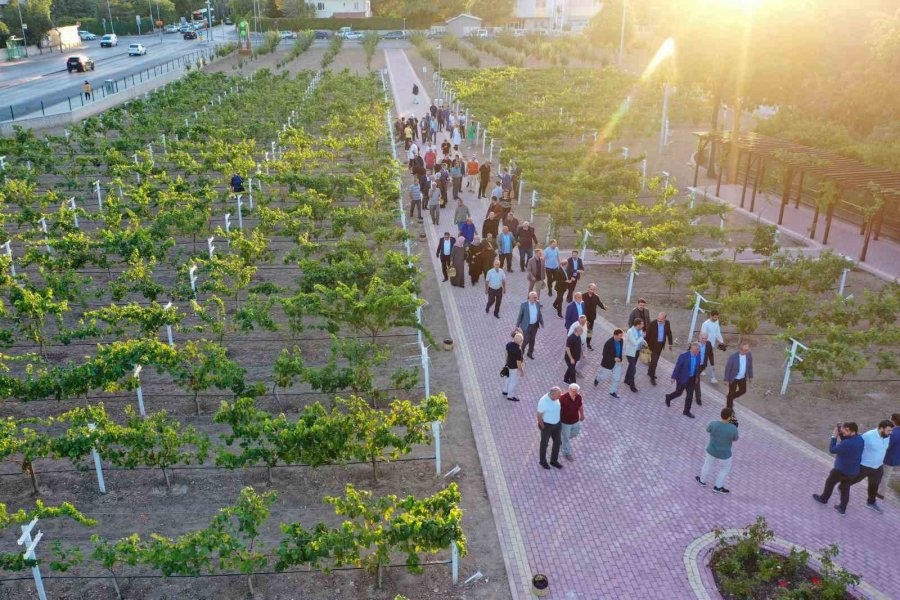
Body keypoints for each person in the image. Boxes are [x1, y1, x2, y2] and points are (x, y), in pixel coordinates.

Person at [813, 422, 864, 515]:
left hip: (840, 470)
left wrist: (834, 436)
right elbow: (847, 442)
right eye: (843, 429)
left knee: (829, 483)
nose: (843, 431)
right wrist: (842, 434)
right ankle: (842, 508)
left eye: (846, 430)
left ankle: (824, 499)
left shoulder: (847, 443)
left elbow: (832, 449)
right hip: (853, 471)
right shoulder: (860, 439)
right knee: (845, 489)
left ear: (853, 432)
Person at [853, 420, 894, 513]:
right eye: (888, 430)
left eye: (891, 431)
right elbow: (857, 446)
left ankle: (871, 502)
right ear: (881, 428)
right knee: (854, 479)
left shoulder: (887, 436)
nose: (890, 433)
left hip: (878, 467)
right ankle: (842, 487)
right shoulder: (868, 436)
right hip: (865, 465)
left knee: (874, 485)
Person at [696, 407, 740, 494]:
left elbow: (707, 429)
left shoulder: (713, 424)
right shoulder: (733, 428)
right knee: (724, 469)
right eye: (732, 416)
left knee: (707, 465)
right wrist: (735, 428)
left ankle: (702, 481)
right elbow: (735, 439)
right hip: (724, 454)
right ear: (728, 417)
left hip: (711, 450)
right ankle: (718, 487)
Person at [665, 342, 701, 418]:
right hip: (682, 378)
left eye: (698, 350)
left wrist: (697, 377)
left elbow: (697, 367)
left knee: (690, 395)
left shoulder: (698, 356)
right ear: (693, 349)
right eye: (697, 350)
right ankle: (668, 397)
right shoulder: (683, 356)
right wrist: (673, 377)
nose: (698, 351)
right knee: (678, 393)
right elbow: (677, 367)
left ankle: (686, 411)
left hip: (692, 379)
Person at [537, 387, 564, 469]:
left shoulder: (555, 397)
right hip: (547, 426)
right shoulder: (543, 402)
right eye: (558, 395)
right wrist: (543, 427)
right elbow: (539, 416)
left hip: (557, 424)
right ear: (552, 394)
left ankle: (553, 461)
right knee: (544, 443)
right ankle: (542, 461)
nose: (560, 397)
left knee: (558, 442)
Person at [594, 329, 624, 398]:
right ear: (615, 335)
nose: (621, 337)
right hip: (608, 363)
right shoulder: (608, 343)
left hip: (618, 362)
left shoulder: (621, 341)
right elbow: (604, 354)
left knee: (617, 378)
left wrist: (620, 360)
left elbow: (620, 351)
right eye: (620, 336)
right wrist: (614, 358)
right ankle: (597, 378)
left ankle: (612, 391)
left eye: (622, 336)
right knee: (604, 376)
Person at [645, 312, 672, 386]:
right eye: (658, 319)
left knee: (654, 360)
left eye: (661, 319)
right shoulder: (652, 323)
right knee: (654, 361)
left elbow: (669, 333)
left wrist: (670, 343)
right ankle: (652, 377)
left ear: (665, 319)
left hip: (660, 345)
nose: (659, 320)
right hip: (652, 345)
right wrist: (645, 345)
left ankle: (649, 372)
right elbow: (647, 335)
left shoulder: (667, 323)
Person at [877, 413, 900, 500]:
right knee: (886, 475)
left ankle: (880, 493)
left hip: (888, 457)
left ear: (893, 421)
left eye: (890, 419)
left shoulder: (893, 433)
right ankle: (880, 492)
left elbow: (887, 445)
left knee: (884, 475)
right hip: (896, 457)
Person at [723, 343, 753, 409]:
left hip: (742, 377)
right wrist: (726, 379)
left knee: (743, 390)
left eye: (747, 350)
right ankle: (729, 409)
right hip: (733, 378)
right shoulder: (733, 357)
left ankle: (729, 398)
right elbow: (728, 369)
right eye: (745, 350)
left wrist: (750, 376)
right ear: (740, 350)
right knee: (731, 393)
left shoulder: (749, 355)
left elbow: (750, 366)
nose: (747, 351)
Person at [559, 383, 584, 461]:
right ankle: (567, 453)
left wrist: (582, 414)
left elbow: (580, 406)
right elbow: (556, 408)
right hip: (565, 422)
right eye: (572, 390)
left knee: (575, 433)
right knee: (566, 438)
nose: (573, 392)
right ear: (569, 390)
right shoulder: (563, 398)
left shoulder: (578, 397)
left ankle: (562, 440)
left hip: (575, 420)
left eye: (575, 391)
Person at [516, 291, 544, 360]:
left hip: (534, 326)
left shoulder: (537, 303)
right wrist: (517, 325)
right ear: (530, 297)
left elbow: (539, 314)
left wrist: (541, 322)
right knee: (525, 341)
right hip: (526, 326)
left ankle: (530, 353)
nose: (536, 299)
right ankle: (520, 355)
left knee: (532, 340)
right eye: (534, 297)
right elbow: (520, 315)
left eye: (536, 297)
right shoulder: (524, 305)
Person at [701, 310, 725, 383]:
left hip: (712, 344)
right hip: (706, 344)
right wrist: (704, 345)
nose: (716, 319)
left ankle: (701, 371)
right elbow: (703, 335)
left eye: (717, 317)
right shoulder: (705, 324)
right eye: (715, 317)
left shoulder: (717, 322)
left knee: (707, 360)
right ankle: (712, 377)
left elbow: (717, 333)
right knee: (709, 360)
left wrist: (722, 341)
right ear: (711, 316)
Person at [623, 318, 646, 393]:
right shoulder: (630, 331)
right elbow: (635, 342)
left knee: (631, 366)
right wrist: (642, 337)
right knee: (633, 369)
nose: (643, 325)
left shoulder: (640, 330)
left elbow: (640, 340)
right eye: (642, 324)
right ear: (638, 325)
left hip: (636, 352)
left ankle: (626, 379)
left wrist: (644, 342)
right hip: (630, 353)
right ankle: (632, 386)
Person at [582, 283, 606, 350]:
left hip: (591, 317)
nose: (592, 291)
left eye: (593, 290)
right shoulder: (583, 296)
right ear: (588, 288)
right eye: (591, 289)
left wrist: (604, 307)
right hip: (584, 318)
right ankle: (581, 343)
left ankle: (588, 344)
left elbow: (600, 304)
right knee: (583, 330)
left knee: (589, 331)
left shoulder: (596, 297)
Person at [694, 331, 715, 405]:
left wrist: (712, 364)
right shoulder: (695, 344)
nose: (704, 340)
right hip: (695, 366)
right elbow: (688, 354)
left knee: (694, 379)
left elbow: (711, 355)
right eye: (703, 338)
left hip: (702, 366)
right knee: (696, 380)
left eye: (706, 338)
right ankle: (698, 398)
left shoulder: (708, 344)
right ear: (700, 338)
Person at [503, 332, 525, 402]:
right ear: (521, 341)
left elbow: (506, 354)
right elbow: (518, 362)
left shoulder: (509, 344)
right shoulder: (519, 350)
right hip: (514, 368)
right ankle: (510, 395)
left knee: (508, 378)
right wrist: (521, 371)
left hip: (508, 365)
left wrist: (506, 363)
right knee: (513, 381)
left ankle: (505, 391)